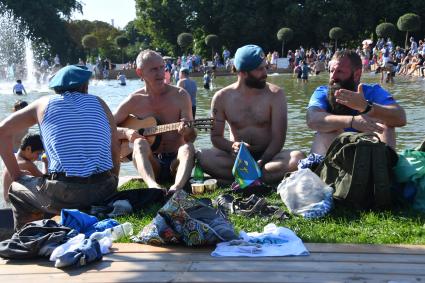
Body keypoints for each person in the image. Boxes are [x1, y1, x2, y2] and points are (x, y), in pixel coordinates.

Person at [0, 65, 120, 229]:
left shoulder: (43, 103)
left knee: (15, 188)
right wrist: (113, 182)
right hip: (105, 188)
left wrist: (16, 174)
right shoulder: (100, 103)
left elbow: (2, 131)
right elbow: (115, 146)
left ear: (56, 89)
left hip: (65, 193)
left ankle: (28, 235)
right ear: (85, 86)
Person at [198, 44, 304, 184]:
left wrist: (262, 161)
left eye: (265, 67)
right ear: (243, 72)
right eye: (260, 69)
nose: (265, 73)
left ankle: (243, 178)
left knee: (298, 158)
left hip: (269, 158)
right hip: (236, 159)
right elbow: (216, 137)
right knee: (201, 155)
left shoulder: (275, 94)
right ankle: (256, 178)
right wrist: (232, 146)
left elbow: (278, 139)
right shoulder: (221, 97)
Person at [114, 50, 196, 195]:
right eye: (153, 69)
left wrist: (188, 131)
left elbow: (192, 137)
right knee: (139, 143)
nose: (160, 73)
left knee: (188, 147)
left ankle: (176, 188)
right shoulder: (134, 100)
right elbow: (107, 127)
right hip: (152, 162)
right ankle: (153, 187)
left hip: (176, 162)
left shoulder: (180, 95)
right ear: (140, 73)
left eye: (162, 67)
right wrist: (126, 132)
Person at [306, 50, 406, 156]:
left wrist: (366, 107)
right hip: (332, 160)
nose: (333, 77)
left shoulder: (373, 91)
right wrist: (352, 121)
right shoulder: (322, 92)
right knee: (326, 132)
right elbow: (312, 119)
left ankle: (383, 167)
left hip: (368, 157)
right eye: (331, 71)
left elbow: (400, 117)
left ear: (357, 74)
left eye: (339, 72)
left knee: (385, 126)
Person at [2, 134, 47, 203]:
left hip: (8, 200)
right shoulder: (27, 164)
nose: (38, 157)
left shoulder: (12, 159)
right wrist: (45, 163)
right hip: (17, 203)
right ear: (28, 148)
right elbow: (45, 182)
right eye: (38, 153)